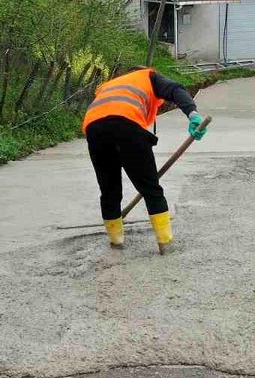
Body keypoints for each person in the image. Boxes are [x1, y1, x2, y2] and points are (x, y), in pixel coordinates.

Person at [82, 66, 207, 253]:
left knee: (109, 189)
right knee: (151, 188)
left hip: (94, 128)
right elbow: (176, 89)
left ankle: (116, 242)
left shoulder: (108, 85)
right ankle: (165, 244)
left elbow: (107, 111)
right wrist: (193, 114)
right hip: (126, 124)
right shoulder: (148, 75)